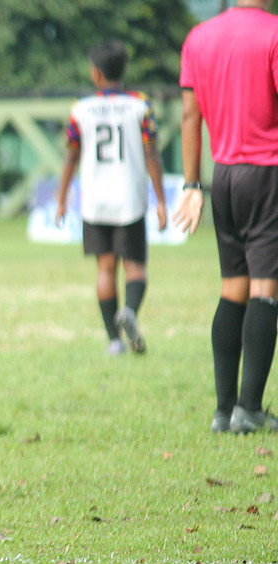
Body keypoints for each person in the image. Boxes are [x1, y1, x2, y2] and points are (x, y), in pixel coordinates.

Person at [173, 0, 278, 434]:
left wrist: (193, 185)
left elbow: (189, 115)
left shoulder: (199, 37)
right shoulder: (273, 34)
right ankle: (250, 409)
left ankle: (223, 410)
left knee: (232, 286)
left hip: (224, 177)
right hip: (268, 171)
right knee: (264, 287)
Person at [56, 40, 167, 357]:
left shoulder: (81, 107)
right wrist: (161, 200)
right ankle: (129, 311)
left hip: (94, 199)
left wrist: (62, 199)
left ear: (95, 72)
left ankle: (113, 341)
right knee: (135, 269)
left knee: (105, 269)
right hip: (129, 198)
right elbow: (152, 153)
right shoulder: (140, 105)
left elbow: (70, 156)